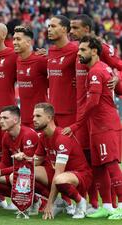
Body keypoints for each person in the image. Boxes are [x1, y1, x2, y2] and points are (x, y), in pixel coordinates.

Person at [63, 36, 122, 219]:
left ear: (94, 51)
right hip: (97, 126)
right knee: (98, 168)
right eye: (79, 50)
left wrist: (76, 125)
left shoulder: (95, 72)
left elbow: (93, 103)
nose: (79, 53)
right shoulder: (102, 68)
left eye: (83, 50)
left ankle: (120, 205)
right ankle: (106, 206)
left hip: (105, 126)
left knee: (111, 166)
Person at [33, 103, 92, 219]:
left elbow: (58, 173)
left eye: (38, 116)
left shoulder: (62, 138)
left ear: (49, 118)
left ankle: (81, 202)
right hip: (62, 176)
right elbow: (34, 162)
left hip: (80, 176)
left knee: (59, 179)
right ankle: (60, 202)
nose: (34, 119)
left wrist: (49, 204)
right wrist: (21, 161)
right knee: (27, 173)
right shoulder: (43, 137)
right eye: (33, 116)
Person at [0, 106, 38, 201]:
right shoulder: (6, 136)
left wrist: (0, 173)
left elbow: (28, 165)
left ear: (15, 120)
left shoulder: (28, 135)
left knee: (15, 177)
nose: (1, 121)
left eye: (5, 118)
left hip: (38, 170)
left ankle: (41, 199)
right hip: (22, 170)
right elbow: (5, 162)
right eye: (1, 118)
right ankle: (33, 200)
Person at [13, 26, 48, 127]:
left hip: (40, 119)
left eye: (18, 39)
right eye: (14, 39)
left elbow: (56, 79)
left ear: (29, 42)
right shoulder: (17, 60)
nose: (14, 42)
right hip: (24, 119)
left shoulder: (40, 60)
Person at [47, 15, 78, 127]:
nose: (49, 29)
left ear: (64, 29)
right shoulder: (50, 51)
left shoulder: (76, 50)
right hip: (52, 111)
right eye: (49, 26)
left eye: (53, 26)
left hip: (70, 111)